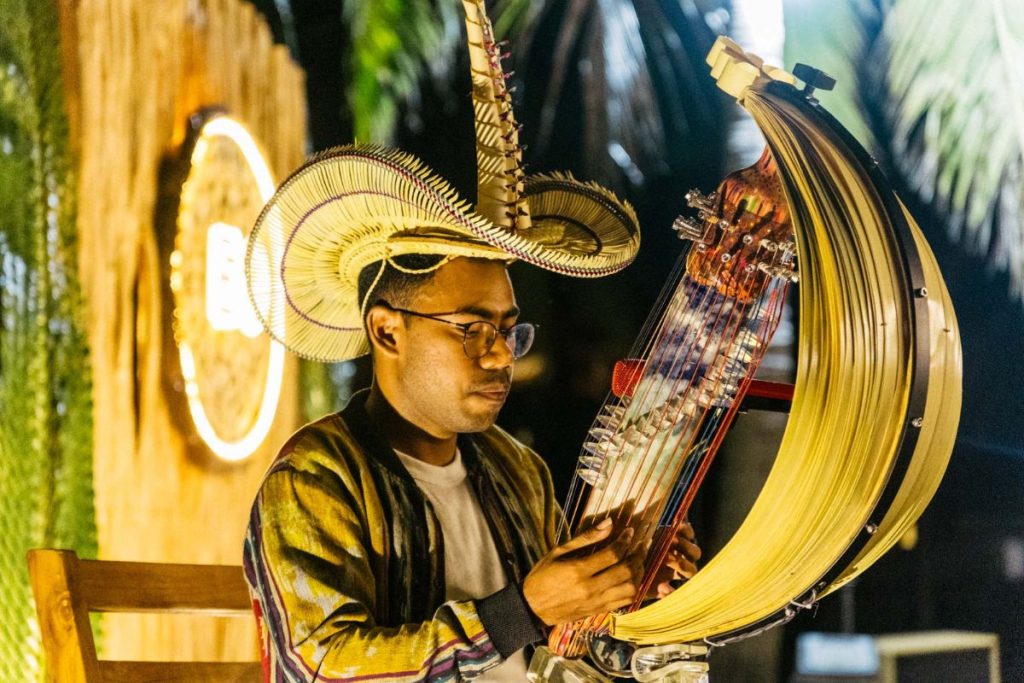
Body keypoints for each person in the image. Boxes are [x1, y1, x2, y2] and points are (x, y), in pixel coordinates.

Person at [241, 3, 697, 679]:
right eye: (471, 328)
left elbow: (564, 646)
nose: (497, 354)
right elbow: (327, 666)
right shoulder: (315, 478)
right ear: (387, 329)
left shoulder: (518, 471)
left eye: (508, 329)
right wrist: (522, 608)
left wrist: (628, 587)